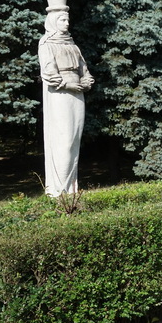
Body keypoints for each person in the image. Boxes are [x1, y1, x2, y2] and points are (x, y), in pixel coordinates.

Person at [39, 11, 94, 196]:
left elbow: (84, 69)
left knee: (74, 139)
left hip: (77, 94)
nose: (66, 22)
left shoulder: (73, 45)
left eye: (67, 19)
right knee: (64, 139)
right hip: (61, 94)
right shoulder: (47, 44)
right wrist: (69, 84)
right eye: (62, 20)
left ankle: (70, 189)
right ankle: (58, 190)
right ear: (54, 22)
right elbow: (49, 74)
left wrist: (86, 81)